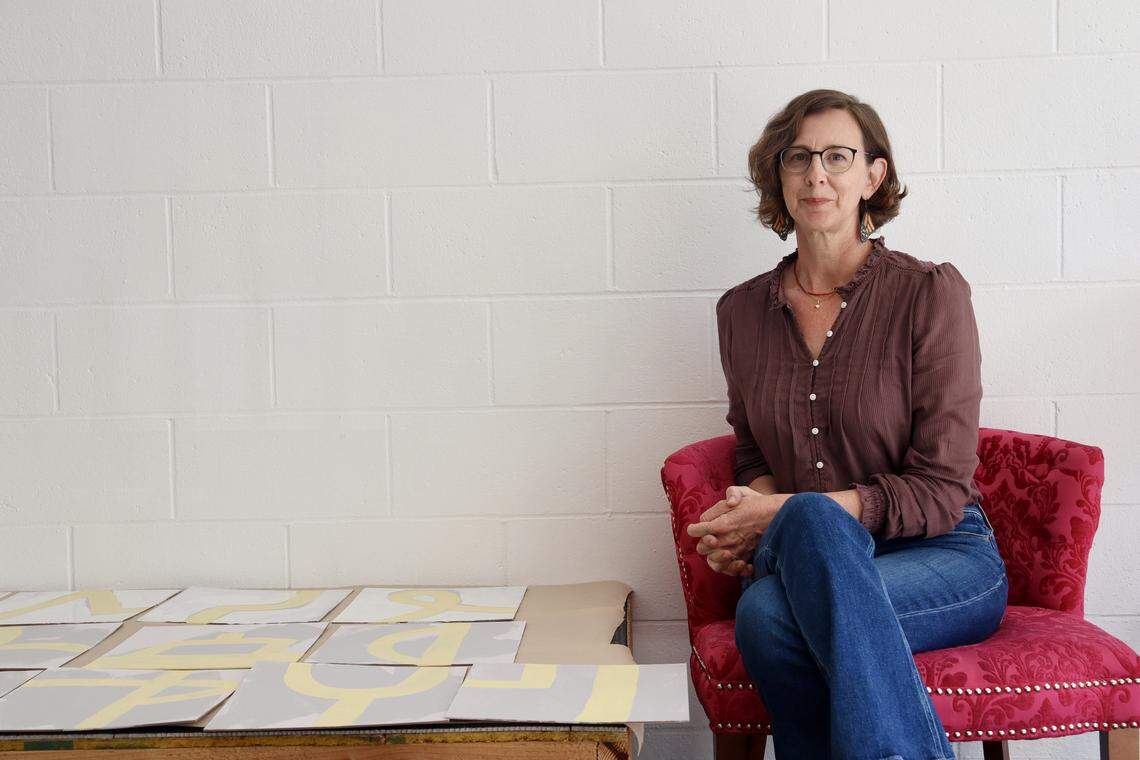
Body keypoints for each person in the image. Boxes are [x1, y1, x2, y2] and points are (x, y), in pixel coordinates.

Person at [685, 89, 1008, 760]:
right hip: (803, 555)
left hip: (942, 557)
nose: (816, 174)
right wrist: (755, 511)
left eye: (837, 155)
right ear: (779, 175)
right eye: (797, 157)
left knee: (769, 615)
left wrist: (784, 513)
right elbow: (751, 451)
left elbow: (945, 486)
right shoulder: (739, 312)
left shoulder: (928, 294)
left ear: (874, 176)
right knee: (804, 529)